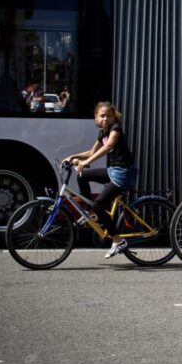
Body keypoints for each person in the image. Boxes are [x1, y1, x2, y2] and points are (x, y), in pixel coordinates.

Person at [64, 101, 138, 259]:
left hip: (124, 173)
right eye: (102, 116)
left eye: (109, 116)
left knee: (99, 205)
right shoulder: (102, 133)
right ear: (96, 118)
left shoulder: (115, 129)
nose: (105, 118)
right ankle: (90, 213)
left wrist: (85, 162)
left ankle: (118, 241)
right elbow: (92, 151)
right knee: (82, 175)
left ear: (114, 117)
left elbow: (109, 146)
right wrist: (74, 157)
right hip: (114, 171)